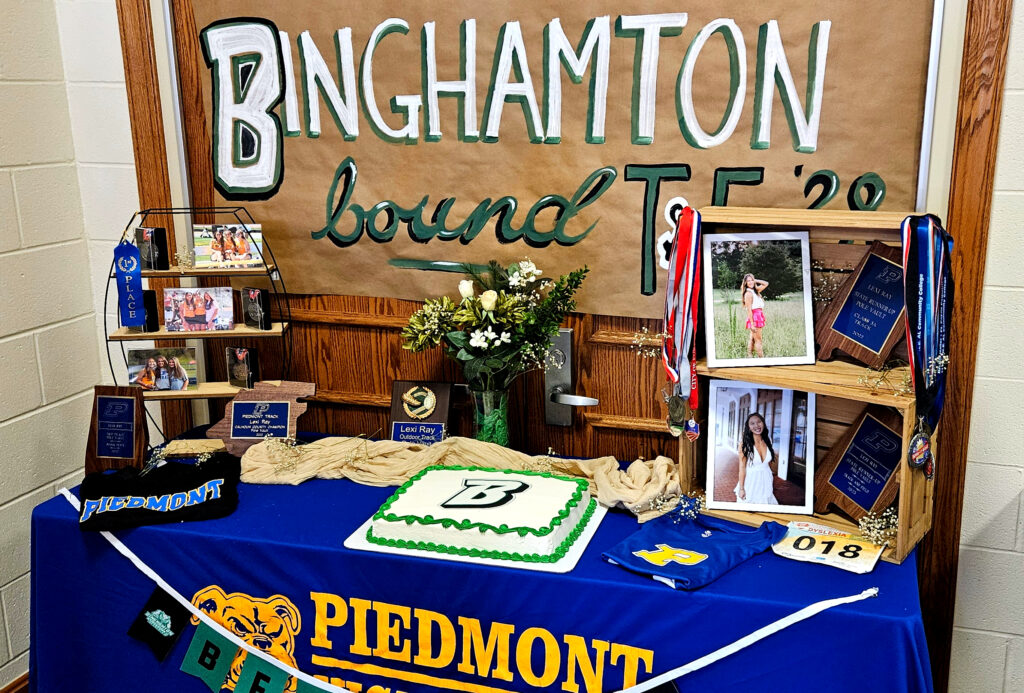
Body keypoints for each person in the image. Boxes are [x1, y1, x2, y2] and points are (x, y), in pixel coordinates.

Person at [734, 412, 779, 505]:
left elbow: (768, 463)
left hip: (766, 480)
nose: (756, 425)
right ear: (748, 427)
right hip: (751, 481)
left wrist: (769, 476)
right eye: (752, 423)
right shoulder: (744, 444)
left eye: (759, 422)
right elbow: (742, 468)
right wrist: (741, 488)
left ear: (763, 423)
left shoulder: (768, 440)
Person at [741, 273, 769, 358]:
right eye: (748, 281)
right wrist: (752, 324)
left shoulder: (755, 291)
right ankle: (762, 359)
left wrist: (754, 280)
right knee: (758, 340)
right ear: (745, 283)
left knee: (753, 339)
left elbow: (766, 283)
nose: (750, 282)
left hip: (758, 315)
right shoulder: (748, 294)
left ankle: (750, 356)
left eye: (751, 280)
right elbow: (749, 310)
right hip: (755, 317)